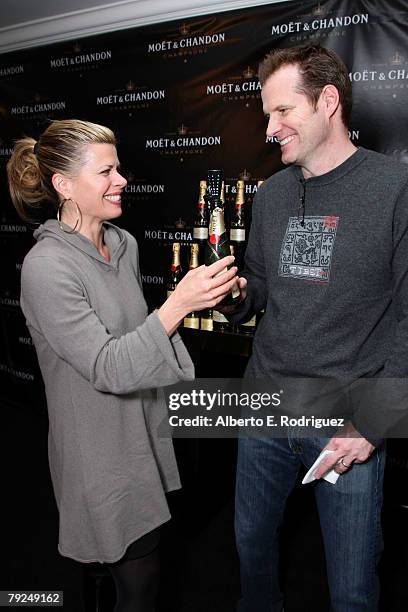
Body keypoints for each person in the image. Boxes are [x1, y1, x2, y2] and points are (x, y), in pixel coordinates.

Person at [7, 119, 238, 612]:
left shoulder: (125, 243)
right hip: (99, 452)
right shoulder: (46, 267)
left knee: (139, 571)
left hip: (144, 435)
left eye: (120, 168)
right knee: (140, 582)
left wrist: (201, 301)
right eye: (106, 171)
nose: (122, 180)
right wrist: (177, 305)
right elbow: (107, 366)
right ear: (63, 186)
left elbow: (139, 336)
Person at [221, 44, 408, 611]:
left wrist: (371, 421)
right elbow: (261, 285)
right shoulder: (272, 193)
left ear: (328, 101)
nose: (270, 128)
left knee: (350, 587)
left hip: (346, 420)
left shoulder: (395, 189)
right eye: (266, 115)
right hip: (265, 407)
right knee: (250, 551)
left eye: (283, 112)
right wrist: (237, 295)